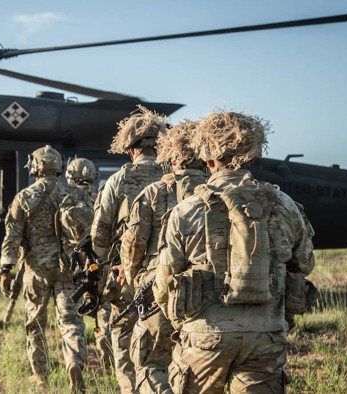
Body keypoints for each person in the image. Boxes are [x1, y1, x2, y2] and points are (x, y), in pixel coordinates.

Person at [153, 110, 315, 393]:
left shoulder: (185, 211)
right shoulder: (286, 205)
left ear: (207, 158)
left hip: (205, 337)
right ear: (252, 154)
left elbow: (163, 285)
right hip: (266, 335)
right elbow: (305, 264)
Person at [121, 120, 208, 394]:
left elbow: (133, 246)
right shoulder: (217, 194)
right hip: (209, 293)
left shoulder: (153, 193)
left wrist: (133, 280)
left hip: (159, 290)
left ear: (170, 157)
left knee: (150, 365)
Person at [91, 105, 167, 394]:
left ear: (131, 148)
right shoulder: (174, 177)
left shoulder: (118, 180)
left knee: (123, 337)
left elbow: (100, 233)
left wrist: (101, 270)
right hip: (171, 275)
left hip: (127, 275)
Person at [0, 145, 87, 393]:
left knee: (35, 324)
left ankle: (41, 377)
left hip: (36, 270)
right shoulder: (75, 194)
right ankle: (74, 362)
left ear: (35, 166)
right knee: (71, 322)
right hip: (70, 269)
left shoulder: (24, 197)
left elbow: (13, 236)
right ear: (58, 167)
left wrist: (6, 269)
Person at [60, 156, 113, 373]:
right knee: (106, 312)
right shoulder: (103, 195)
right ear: (94, 176)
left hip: (71, 269)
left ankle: (75, 361)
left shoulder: (64, 198)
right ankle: (107, 354)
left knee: (71, 320)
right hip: (102, 264)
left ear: (69, 176)